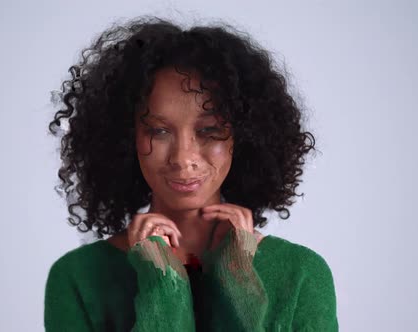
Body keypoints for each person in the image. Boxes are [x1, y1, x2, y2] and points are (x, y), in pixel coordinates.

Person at [44, 16, 338, 331]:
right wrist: (163, 289)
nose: (184, 158)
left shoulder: (301, 274)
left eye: (209, 131)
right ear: (124, 137)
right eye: (158, 131)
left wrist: (238, 284)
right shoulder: (78, 278)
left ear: (246, 137)